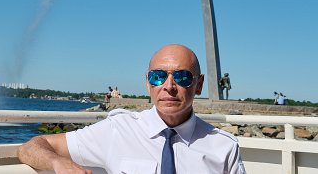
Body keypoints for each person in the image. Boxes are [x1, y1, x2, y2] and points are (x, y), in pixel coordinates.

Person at [18, 44, 246, 173]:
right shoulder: (117, 130)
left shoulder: (224, 147)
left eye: (182, 77)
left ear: (199, 84)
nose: (169, 86)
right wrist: (59, 163)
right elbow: (32, 147)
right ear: (148, 82)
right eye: (158, 77)